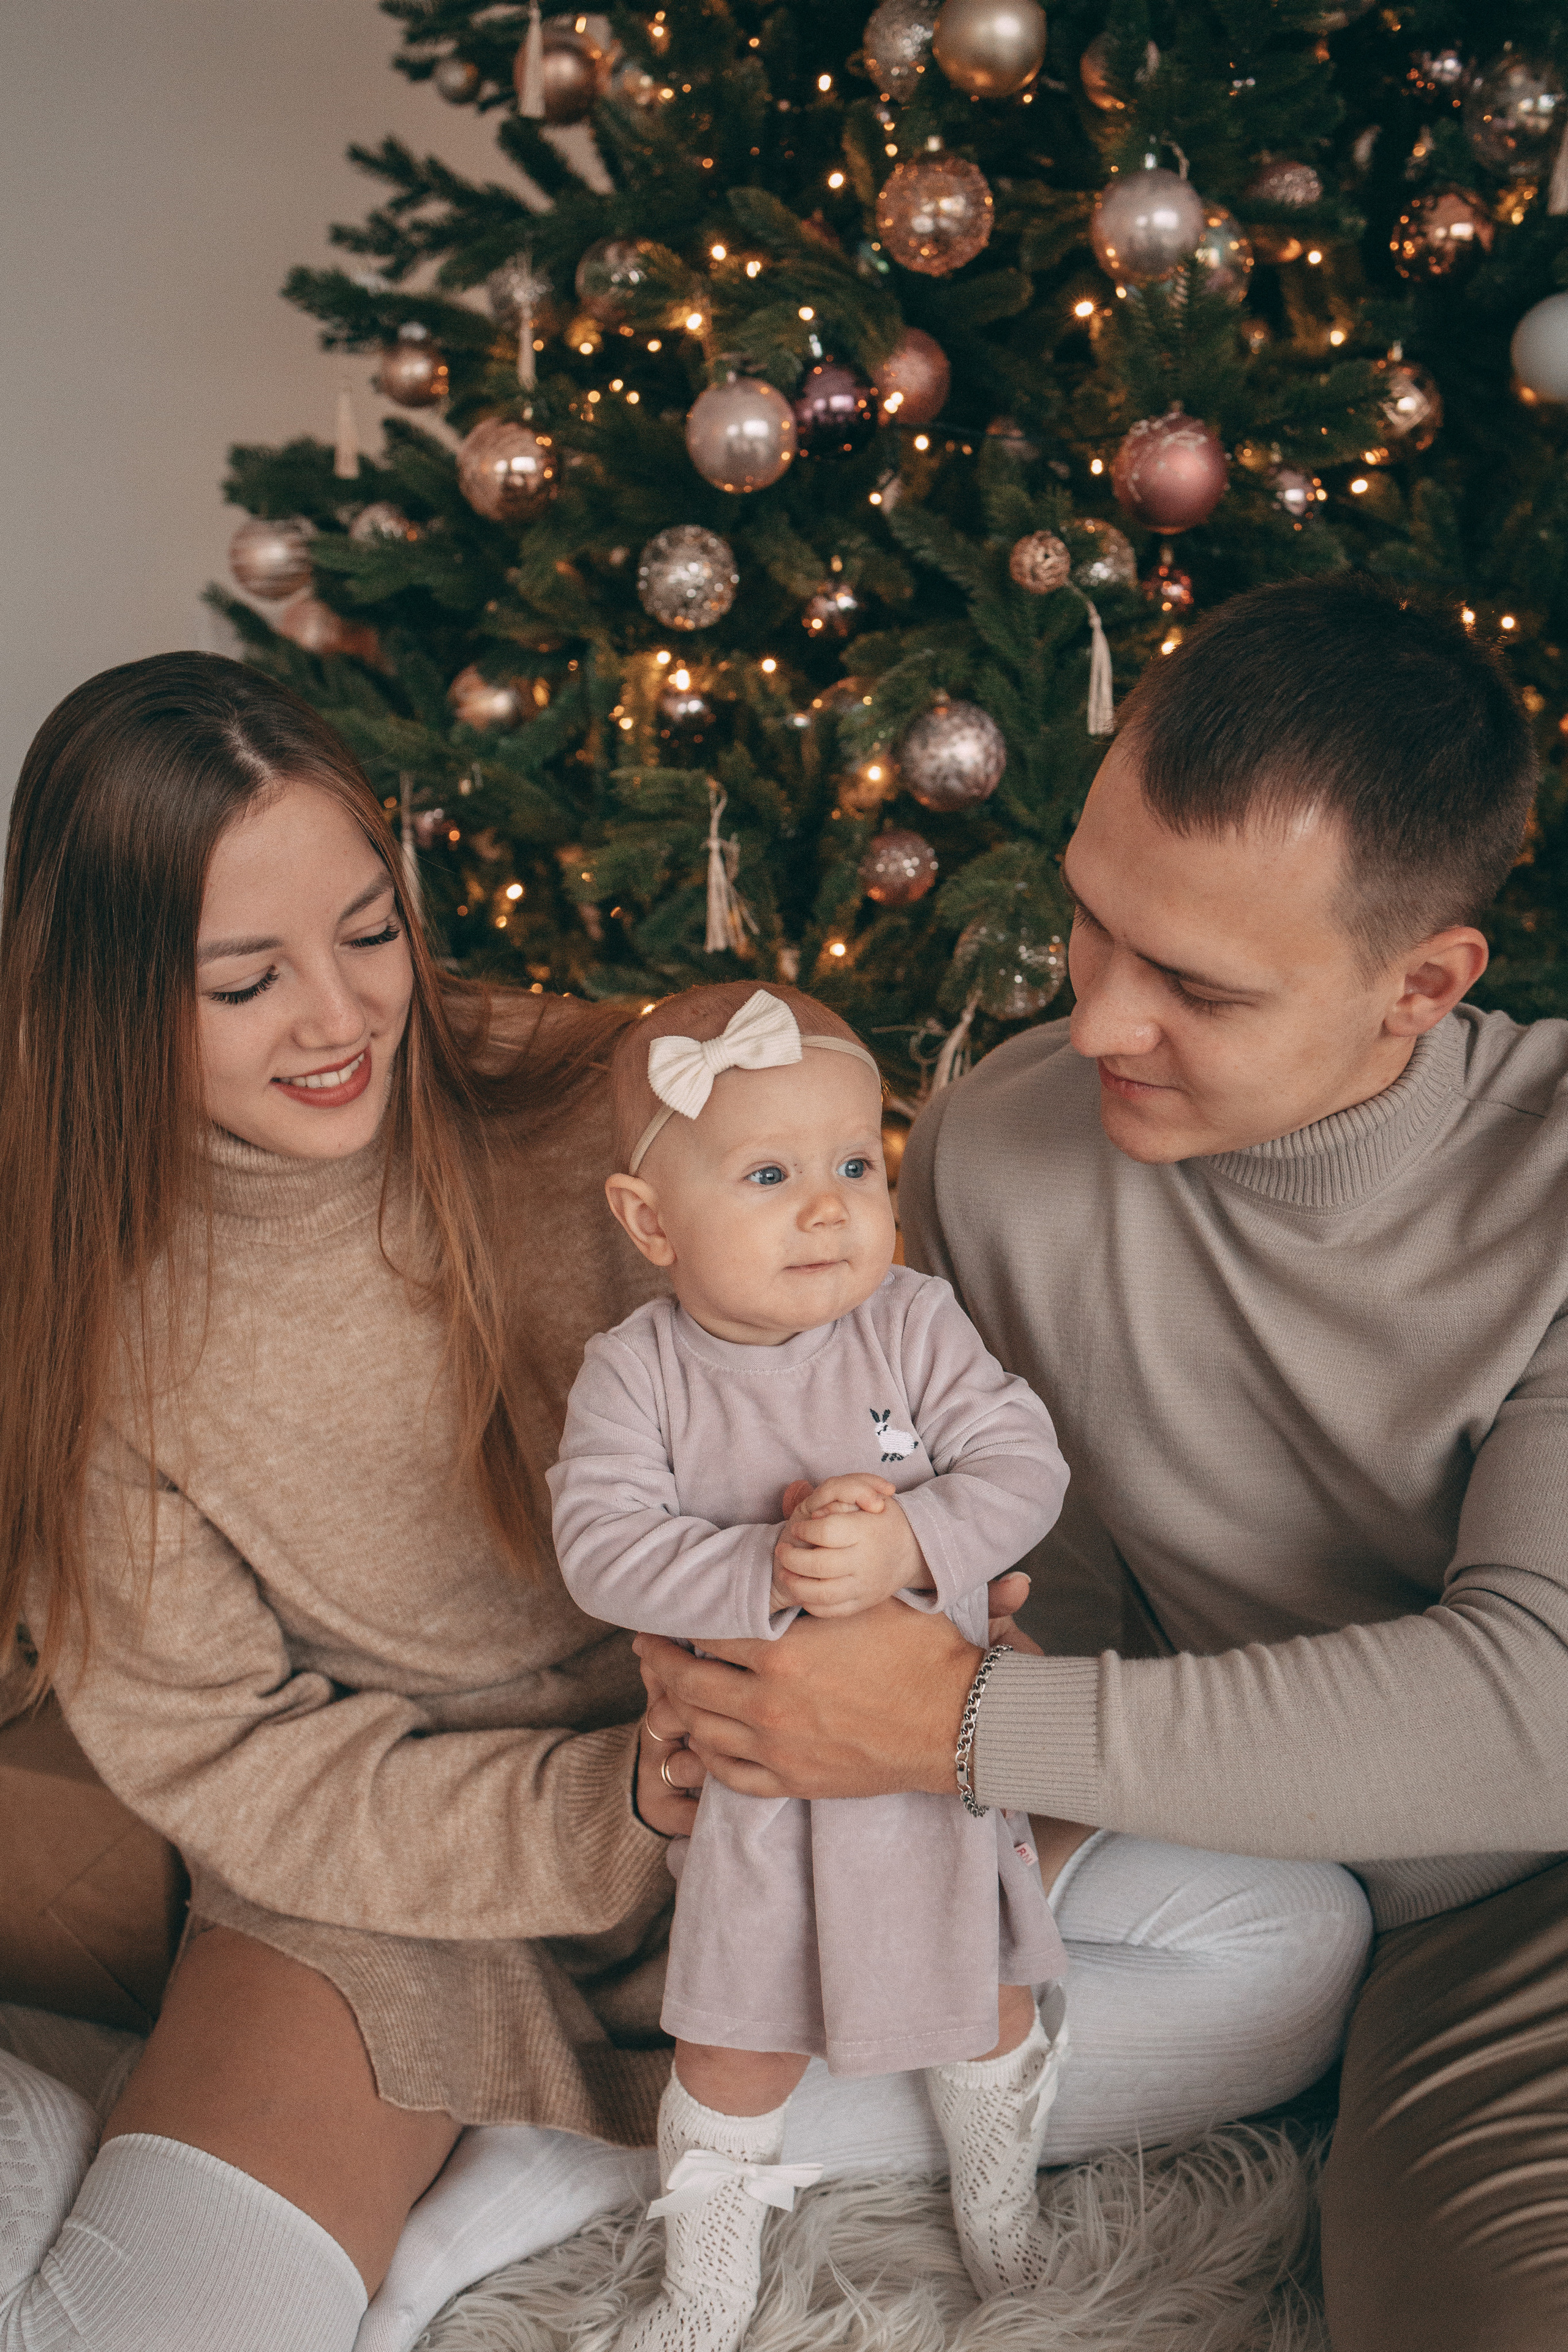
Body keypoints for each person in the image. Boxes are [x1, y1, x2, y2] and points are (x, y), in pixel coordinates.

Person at [0, 650, 1368, 2352]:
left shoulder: (620, 1105)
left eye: (368, 932)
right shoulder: (89, 1319)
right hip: (405, 1903)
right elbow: (239, 1762)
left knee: (1292, 1939)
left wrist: (935, 1580)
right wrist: (622, 1801)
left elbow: (893, 1358)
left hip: (811, 1787)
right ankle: (92, 2123)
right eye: (242, 980)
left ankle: (597, 2166)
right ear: (111, 991)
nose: (345, 1017)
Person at [638, 575, 1568, 2352]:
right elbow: (1016, 1586)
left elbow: (1540, 1707)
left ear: (1424, 986)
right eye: (1091, 927)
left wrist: (951, 1723)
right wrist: (778, 1659)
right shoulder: (1006, 1146)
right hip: (1442, 1954)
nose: (1102, 1023)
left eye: (1198, 986)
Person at [551, 981, 1071, 2350]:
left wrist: (912, 1539)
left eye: (855, 1165)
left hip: (929, 1773)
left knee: (984, 2004)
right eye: (770, 1176)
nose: (829, 1207)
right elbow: (598, 1547)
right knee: (731, 2040)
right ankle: (708, 2291)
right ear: (649, 1221)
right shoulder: (637, 1373)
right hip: (758, 1795)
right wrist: (760, 1573)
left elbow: (1024, 1465)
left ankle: (1000, 2215)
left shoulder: (911, 1320)